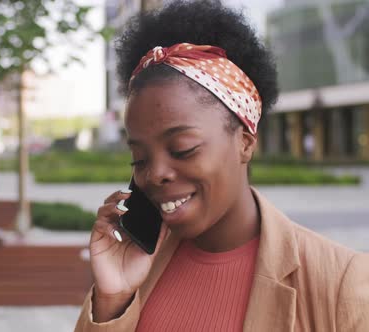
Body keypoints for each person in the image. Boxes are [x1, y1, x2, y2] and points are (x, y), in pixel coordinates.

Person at [75, 1, 369, 331]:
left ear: (245, 142)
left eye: (182, 149)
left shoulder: (344, 284)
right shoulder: (138, 269)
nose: (155, 174)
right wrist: (112, 302)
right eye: (139, 159)